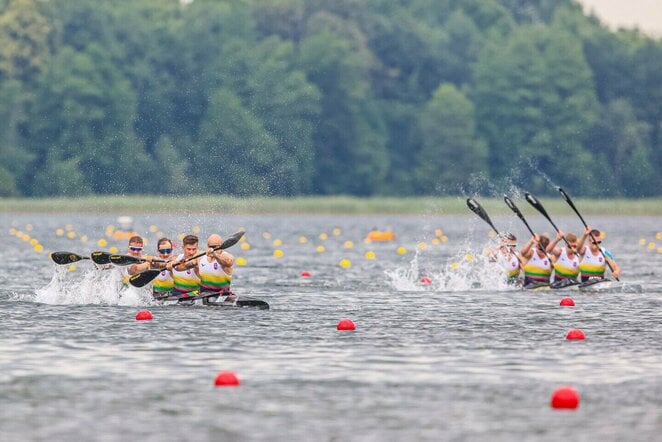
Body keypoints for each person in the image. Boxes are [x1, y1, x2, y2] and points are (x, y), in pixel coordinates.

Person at [198, 233, 236, 304]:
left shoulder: (227, 256)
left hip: (222, 294)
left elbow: (228, 262)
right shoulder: (200, 257)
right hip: (203, 294)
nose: (213, 249)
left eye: (215, 247)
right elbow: (185, 266)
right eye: (211, 247)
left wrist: (215, 255)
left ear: (221, 246)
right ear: (207, 246)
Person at [169, 234, 201, 299]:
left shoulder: (199, 259)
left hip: (195, 294)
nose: (191, 252)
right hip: (176, 294)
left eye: (194, 249)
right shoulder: (175, 258)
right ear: (183, 247)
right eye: (188, 249)